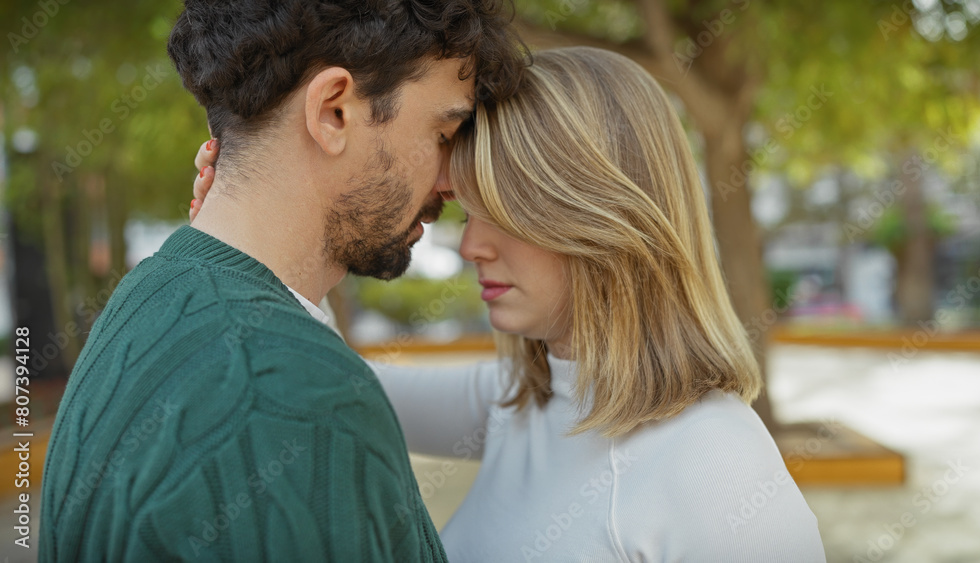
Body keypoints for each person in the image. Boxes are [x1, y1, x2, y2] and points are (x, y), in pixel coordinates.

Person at [191, 47, 827, 561]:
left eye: (504, 212)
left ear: (601, 214)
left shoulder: (719, 470)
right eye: (470, 210)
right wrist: (257, 231)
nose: (470, 245)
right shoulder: (526, 397)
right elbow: (343, 385)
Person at [39, 1, 524, 561]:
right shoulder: (296, 397)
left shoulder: (144, 298)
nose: (451, 182)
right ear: (333, 111)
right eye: (444, 132)